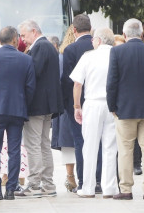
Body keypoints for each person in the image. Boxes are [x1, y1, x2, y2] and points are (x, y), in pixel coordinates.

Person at [106, 19, 144, 200]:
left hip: (125, 109)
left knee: (125, 149)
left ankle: (126, 189)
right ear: (142, 34)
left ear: (124, 34)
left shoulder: (117, 51)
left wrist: (112, 106)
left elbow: (112, 82)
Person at [70, 28, 119, 198]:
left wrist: (77, 106)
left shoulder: (88, 56)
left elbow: (77, 84)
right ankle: (109, 187)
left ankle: (88, 187)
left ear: (98, 40)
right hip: (112, 105)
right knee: (110, 147)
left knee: (89, 147)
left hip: (92, 103)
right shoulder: (117, 54)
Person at [18, 20, 63, 198]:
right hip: (48, 105)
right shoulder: (48, 46)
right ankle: (48, 184)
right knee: (44, 144)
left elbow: (32, 74)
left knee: (34, 144)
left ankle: (35, 184)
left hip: (37, 105)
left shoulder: (39, 47)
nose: (22, 39)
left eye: (24, 35)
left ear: (34, 31)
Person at [0, 27, 35, 200]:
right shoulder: (26, 59)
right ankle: (10, 189)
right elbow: (30, 87)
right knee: (14, 150)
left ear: (0, 40)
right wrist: (24, 104)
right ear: (16, 40)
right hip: (17, 109)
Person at [61, 14, 102, 193]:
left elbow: (67, 80)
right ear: (91, 28)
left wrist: (68, 103)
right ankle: (100, 180)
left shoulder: (70, 50)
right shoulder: (100, 46)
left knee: (80, 141)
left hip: (77, 103)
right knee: (100, 140)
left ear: (74, 30)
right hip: (99, 99)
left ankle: (85, 180)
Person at [56, 25, 78, 191]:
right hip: (81, 101)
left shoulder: (62, 56)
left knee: (68, 143)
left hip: (67, 103)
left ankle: (70, 176)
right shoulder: (86, 52)